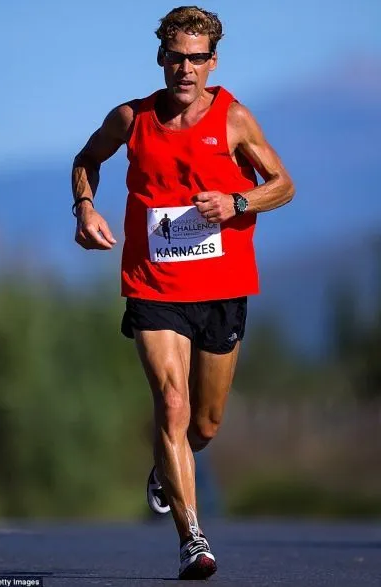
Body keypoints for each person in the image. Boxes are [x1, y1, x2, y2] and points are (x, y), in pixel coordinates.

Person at [71, 5, 294, 580]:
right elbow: (88, 157)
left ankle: (166, 468)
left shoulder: (234, 118)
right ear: (161, 57)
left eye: (197, 58)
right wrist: (85, 207)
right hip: (154, 285)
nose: (185, 68)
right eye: (176, 57)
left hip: (221, 287)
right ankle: (192, 538)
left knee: (205, 424)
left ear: (212, 62)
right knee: (172, 404)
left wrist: (236, 201)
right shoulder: (132, 117)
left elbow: (282, 185)